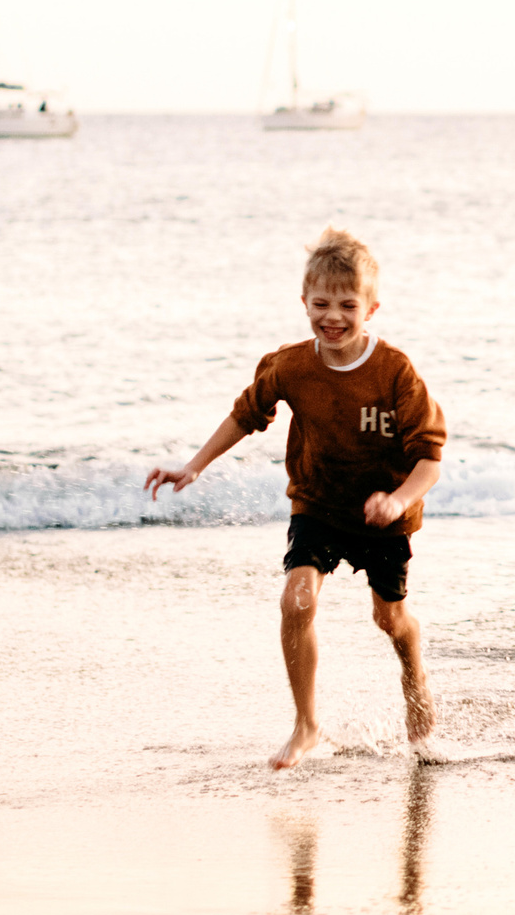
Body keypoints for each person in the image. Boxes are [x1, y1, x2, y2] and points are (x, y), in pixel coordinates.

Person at [145, 226, 446, 770]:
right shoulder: (290, 365)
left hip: (385, 519)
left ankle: (414, 668)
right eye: (321, 303)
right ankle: (307, 727)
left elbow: (430, 459)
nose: (333, 316)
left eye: (347, 305)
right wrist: (193, 465)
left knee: (390, 621)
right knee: (296, 599)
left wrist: (399, 501)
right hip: (318, 504)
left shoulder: (395, 372)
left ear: (371, 308)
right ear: (304, 302)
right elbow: (245, 414)